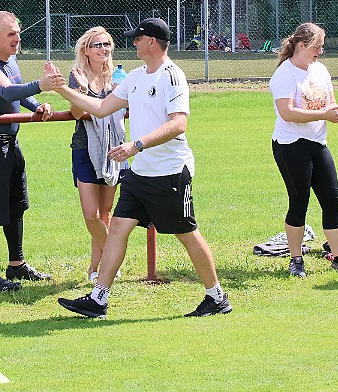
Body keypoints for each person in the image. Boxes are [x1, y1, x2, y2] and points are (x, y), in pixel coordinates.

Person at [54, 17, 232, 318]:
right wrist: (62, 89)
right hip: (141, 173)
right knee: (118, 229)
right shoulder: (134, 77)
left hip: (171, 171)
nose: (133, 43)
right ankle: (99, 298)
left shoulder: (172, 76)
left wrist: (135, 146)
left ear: (152, 42)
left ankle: (216, 297)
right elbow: (99, 107)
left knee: (187, 233)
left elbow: (178, 123)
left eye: (137, 38)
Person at [270, 22, 338, 278]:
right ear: (301, 46)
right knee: (299, 202)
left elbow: (330, 101)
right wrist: (323, 113)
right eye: (317, 47)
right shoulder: (284, 74)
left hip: (317, 143)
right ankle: (296, 260)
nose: (321, 52)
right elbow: (288, 112)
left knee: (331, 200)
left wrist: (336, 113)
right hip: (290, 145)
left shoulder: (320, 70)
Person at [0, 10, 57, 292]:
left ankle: (16, 264)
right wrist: (41, 86)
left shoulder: (11, 59)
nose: (17, 38)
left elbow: (21, 93)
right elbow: (7, 92)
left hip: (12, 145)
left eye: (18, 32)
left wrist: (36, 106)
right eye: (11, 34)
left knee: (17, 206)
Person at [67, 27, 125, 283]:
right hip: (84, 147)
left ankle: (96, 269)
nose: (103, 49)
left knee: (105, 213)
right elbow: (77, 114)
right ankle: (115, 255)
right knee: (90, 214)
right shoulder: (77, 75)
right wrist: (82, 89)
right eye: (97, 45)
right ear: (86, 50)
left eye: (107, 44)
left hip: (112, 147)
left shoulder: (117, 77)